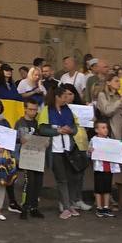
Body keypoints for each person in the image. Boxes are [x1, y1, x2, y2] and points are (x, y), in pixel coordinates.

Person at [44, 83, 84, 218]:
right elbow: (42, 128)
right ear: (57, 97)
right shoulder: (47, 110)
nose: (66, 99)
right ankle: (66, 207)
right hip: (55, 150)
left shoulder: (68, 110)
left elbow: (75, 127)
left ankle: (67, 204)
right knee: (62, 179)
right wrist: (58, 130)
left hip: (68, 148)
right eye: (64, 96)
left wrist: (69, 130)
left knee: (71, 177)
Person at [87, 118, 120, 217]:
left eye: (106, 128)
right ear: (96, 130)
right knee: (98, 188)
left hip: (108, 168)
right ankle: (99, 207)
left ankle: (106, 206)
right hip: (99, 168)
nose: (106, 130)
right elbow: (88, 154)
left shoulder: (110, 141)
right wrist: (89, 151)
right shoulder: (94, 140)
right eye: (103, 128)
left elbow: (117, 151)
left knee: (107, 188)